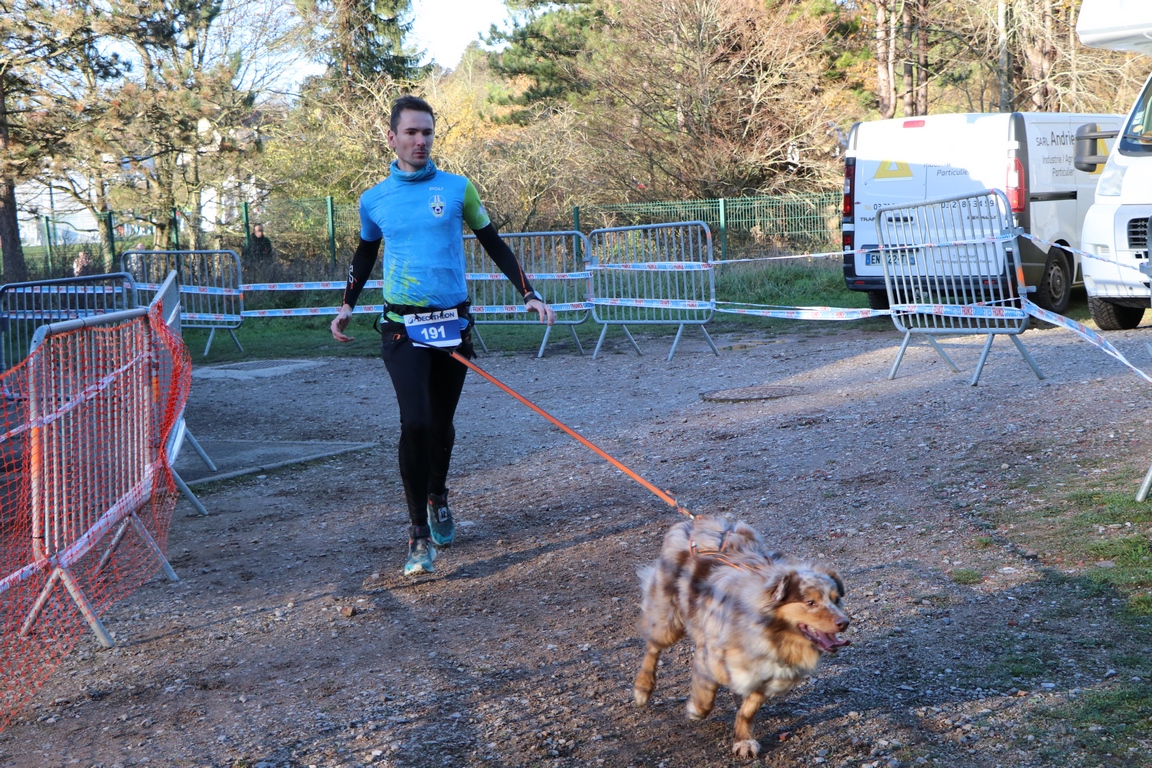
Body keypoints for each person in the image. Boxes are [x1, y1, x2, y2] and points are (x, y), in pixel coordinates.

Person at [330, 95, 555, 577]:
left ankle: (437, 495)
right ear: (392, 138)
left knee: (441, 425)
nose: (420, 141)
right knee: (415, 422)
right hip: (402, 329)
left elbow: (493, 242)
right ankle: (417, 535)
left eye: (427, 132)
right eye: (411, 132)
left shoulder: (457, 189)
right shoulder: (374, 199)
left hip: (452, 324)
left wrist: (529, 293)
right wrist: (347, 304)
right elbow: (365, 253)